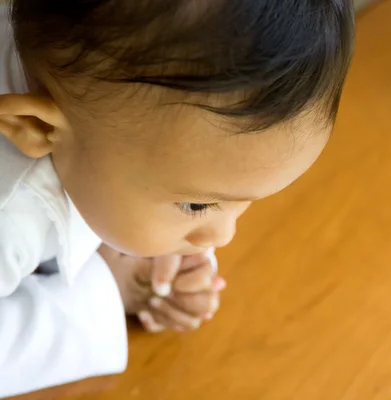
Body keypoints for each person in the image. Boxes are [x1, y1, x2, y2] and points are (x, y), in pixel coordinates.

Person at [0, 0, 354, 397]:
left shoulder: (91, 103)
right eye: (197, 205)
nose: (224, 236)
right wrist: (107, 291)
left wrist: (149, 243)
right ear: (33, 127)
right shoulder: (9, 215)